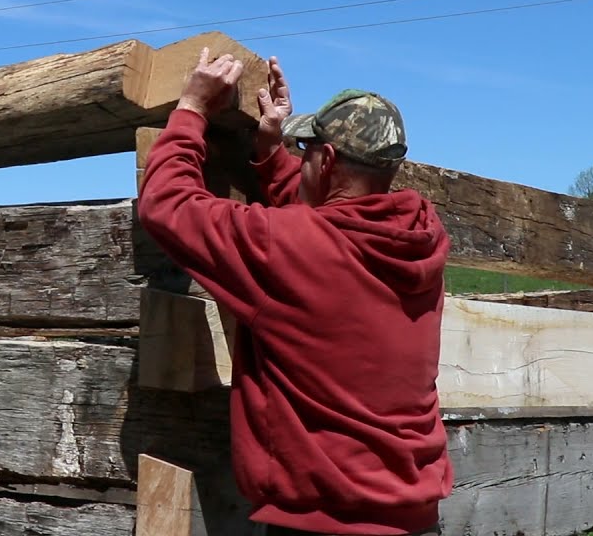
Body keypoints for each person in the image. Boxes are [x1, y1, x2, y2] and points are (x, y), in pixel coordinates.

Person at [136, 47, 453, 536]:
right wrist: (270, 153)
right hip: (414, 516)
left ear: (325, 161)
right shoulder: (421, 240)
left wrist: (191, 110)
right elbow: (323, 231)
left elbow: (167, 204)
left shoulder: (291, 247)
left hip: (325, 523)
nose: (299, 159)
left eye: (306, 152)